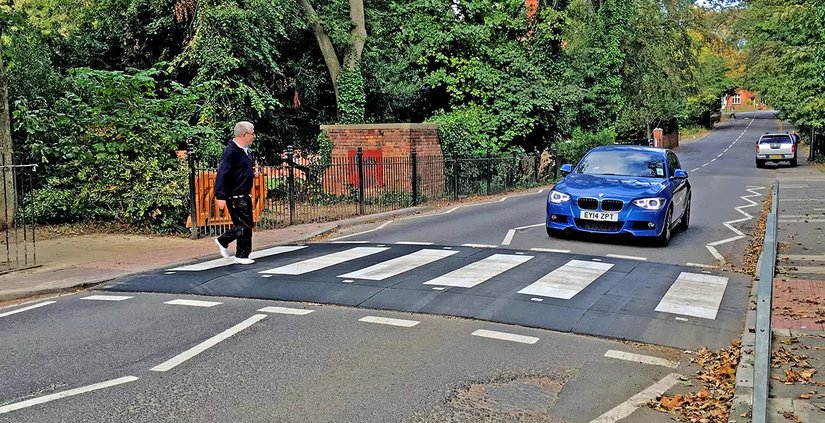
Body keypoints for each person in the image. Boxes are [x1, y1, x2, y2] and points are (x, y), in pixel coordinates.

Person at [214, 121, 257, 265]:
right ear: (244, 134)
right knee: (245, 225)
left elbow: (240, 169)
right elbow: (222, 173)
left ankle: (236, 250)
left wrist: (252, 172)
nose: (254, 136)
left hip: (243, 194)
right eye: (252, 133)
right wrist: (220, 196)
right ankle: (235, 249)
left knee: (244, 225)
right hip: (236, 195)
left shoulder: (245, 150)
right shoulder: (231, 151)